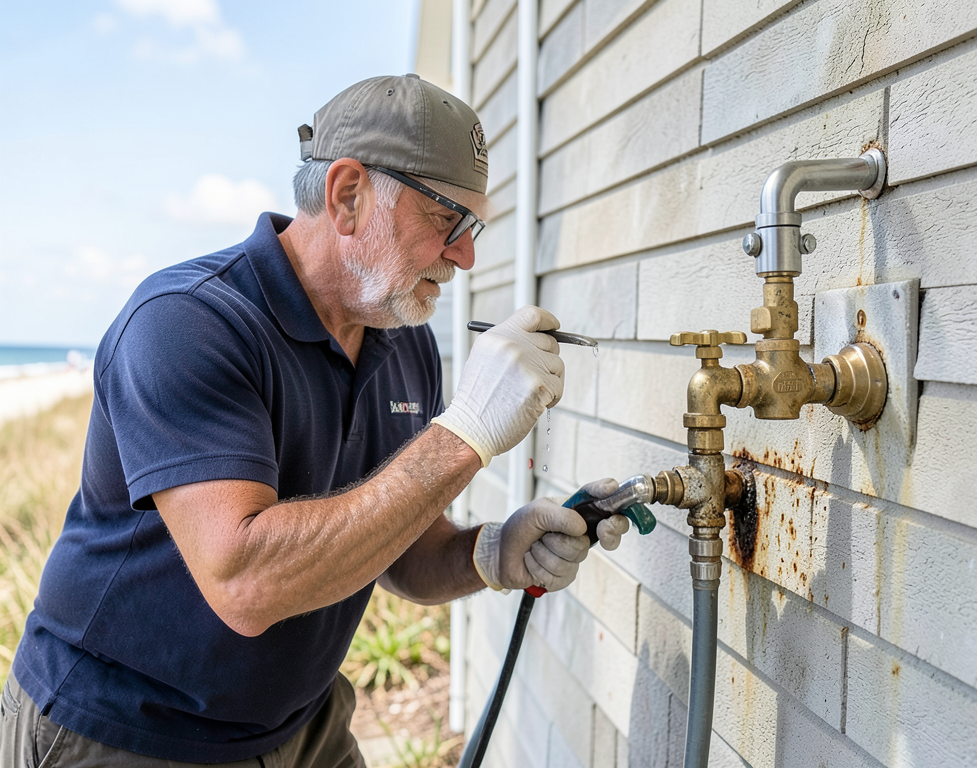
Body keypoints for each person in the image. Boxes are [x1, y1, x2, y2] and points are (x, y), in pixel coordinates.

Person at [1, 74, 630, 767]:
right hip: (123, 728)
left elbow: (395, 547)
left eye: (473, 229)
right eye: (446, 219)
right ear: (348, 195)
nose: (465, 255)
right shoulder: (186, 322)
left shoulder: (403, 340)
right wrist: (466, 434)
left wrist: (492, 552)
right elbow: (243, 581)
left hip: (299, 723)